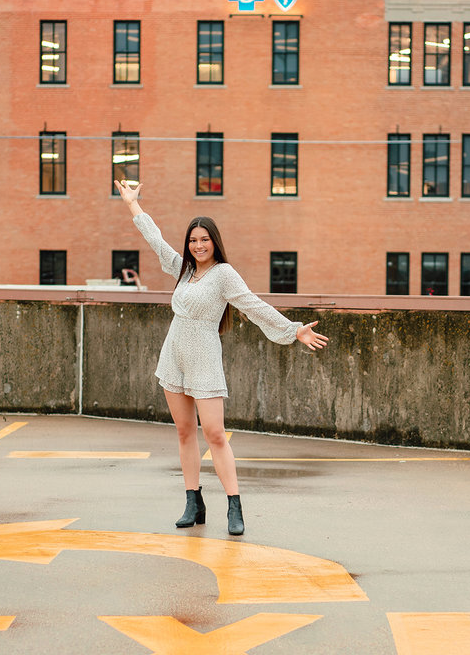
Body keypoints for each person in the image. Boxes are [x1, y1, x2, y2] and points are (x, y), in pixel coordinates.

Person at [116, 179, 328, 535]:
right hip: (174, 356)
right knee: (184, 432)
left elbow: (253, 305)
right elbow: (156, 241)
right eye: (193, 240)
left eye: (204, 239)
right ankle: (192, 501)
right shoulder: (184, 270)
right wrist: (132, 204)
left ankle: (234, 505)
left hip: (204, 359)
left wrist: (294, 330)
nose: (198, 245)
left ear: (214, 242)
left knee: (215, 434)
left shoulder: (224, 275)